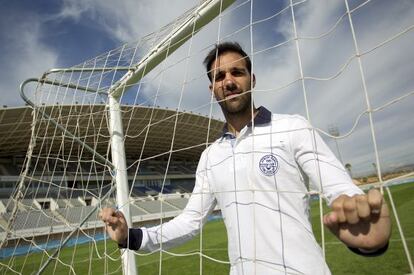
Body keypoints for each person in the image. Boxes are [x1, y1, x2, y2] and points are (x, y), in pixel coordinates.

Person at [100, 42, 391, 274]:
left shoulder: (291, 127)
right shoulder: (211, 156)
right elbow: (190, 221)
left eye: (236, 72)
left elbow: (338, 188)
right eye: (219, 76)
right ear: (212, 89)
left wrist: (361, 217)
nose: (228, 81)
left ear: (251, 79)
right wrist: (131, 237)